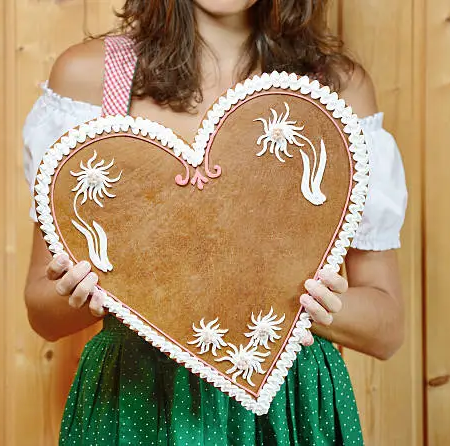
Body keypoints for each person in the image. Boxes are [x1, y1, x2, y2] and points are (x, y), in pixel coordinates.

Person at [22, 1, 407, 444]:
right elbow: (42, 313)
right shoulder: (89, 80)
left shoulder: (337, 91)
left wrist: (308, 308)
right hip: (136, 402)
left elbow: (388, 328)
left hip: (288, 409)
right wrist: (91, 291)